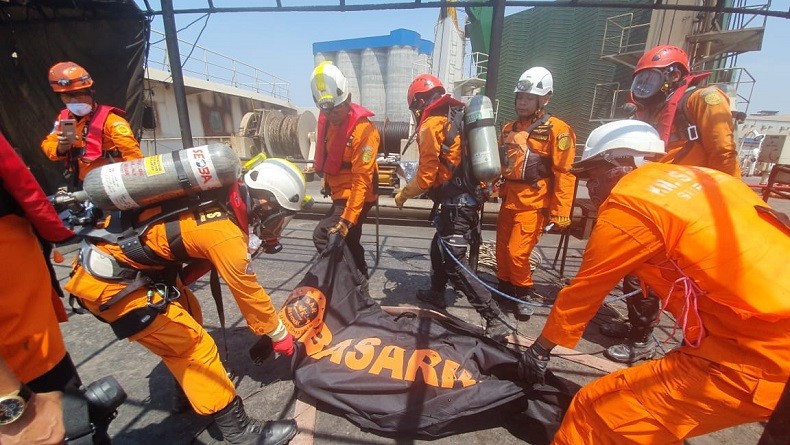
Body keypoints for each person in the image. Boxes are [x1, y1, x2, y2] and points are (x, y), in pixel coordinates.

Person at [522, 120, 790, 444]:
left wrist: (540, 349)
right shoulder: (707, 178)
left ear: (622, 164)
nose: (589, 188)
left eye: (592, 175)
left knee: (594, 413)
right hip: (756, 335)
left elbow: (583, 292)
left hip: (754, 354)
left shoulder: (629, 205)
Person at [64, 157, 306, 445]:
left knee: (190, 309)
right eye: (278, 215)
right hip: (113, 286)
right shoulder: (224, 234)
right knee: (194, 346)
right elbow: (248, 293)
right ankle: (239, 431)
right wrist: (279, 335)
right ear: (264, 202)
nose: (278, 225)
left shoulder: (218, 201)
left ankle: (192, 389)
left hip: (134, 270)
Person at [602, 44, 743, 363]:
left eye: (650, 79)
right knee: (641, 270)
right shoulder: (648, 110)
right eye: (641, 81)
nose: (644, 88)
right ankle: (638, 328)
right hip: (661, 203)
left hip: (693, 208)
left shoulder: (702, 100)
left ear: (674, 75)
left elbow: (724, 153)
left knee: (669, 278)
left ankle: (644, 341)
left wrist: (725, 210)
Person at [394, 73, 515, 342]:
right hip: (469, 200)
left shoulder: (431, 126)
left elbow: (425, 178)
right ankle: (437, 293)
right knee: (438, 248)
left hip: (456, 205)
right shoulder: (458, 117)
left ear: (419, 104)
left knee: (455, 264)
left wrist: (404, 193)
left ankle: (495, 319)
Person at [0, 130, 94, 444]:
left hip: (35, 343)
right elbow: (50, 148)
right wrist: (12, 408)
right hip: (23, 380)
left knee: (71, 409)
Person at [496, 67, 576, 320]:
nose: (522, 102)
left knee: (517, 252)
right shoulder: (509, 128)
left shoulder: (558, 130)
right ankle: (505, 287)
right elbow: (499, 163)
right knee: (501, 250)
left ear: (545, 99)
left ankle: (524, 292)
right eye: (520, 97)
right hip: (509, 199)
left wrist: (561, 211)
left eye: (528, 98)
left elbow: (565, 172)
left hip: (534, 202)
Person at [309, 61, 380, 277]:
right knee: (350, 240)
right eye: (327, 110)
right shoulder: (330, 122)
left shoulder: (364, 131)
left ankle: (349, 282)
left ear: (348, 98)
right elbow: (332, 156)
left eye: (336, 108)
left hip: (357, 196)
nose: (332, 115)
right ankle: (360, 279)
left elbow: (361, 180)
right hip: (340, 192)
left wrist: (347, 220)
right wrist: (326, 181)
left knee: (324, 235)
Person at [41, 61, 144, 190]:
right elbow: (48, 143)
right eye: (67, 96)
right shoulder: (64, 118)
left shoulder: (112, 121)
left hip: (111, 184)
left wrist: (136, 185)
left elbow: (133, 156)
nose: (74, 100)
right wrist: (60, 148)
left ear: (91, 92)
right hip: (81, 182)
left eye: (79, 94)